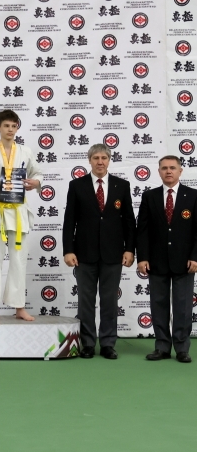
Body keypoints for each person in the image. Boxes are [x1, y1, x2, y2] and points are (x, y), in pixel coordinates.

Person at [62, 144, 135, 359]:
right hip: (84, 253)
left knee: (109, 300)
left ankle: (108, 344)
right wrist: (68, 250)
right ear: (89, 160)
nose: (100, 162)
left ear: (109, 160)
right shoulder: (77, 185)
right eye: (96, 158)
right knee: (85, 300)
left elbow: (129, 221)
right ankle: (87, 343)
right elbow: (69, 221)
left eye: (104, 157)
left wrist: (129, 249)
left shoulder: (122, 185)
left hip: (113, 253)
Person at [0, 109, 42, 321]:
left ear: (17, 128)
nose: (10, 130)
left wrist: (35, 183)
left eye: (14, 126)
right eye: (6, 126)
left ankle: (19, 306)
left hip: (19, 211)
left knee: (19, 261)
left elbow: (38, 174)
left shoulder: (25, 152)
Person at [137, 156, 197, 363]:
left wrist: (195, 257)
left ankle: (182, 348)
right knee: (158, 305)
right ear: (159, 171)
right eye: (164, 168)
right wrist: (142, 258)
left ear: (180, 171)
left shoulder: (193, 196)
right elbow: (142, 230)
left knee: (183, 306)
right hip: (156, 261)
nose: (168, 171)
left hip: (185, 262)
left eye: (172, 168)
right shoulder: (150, 196)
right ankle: (162, 346)